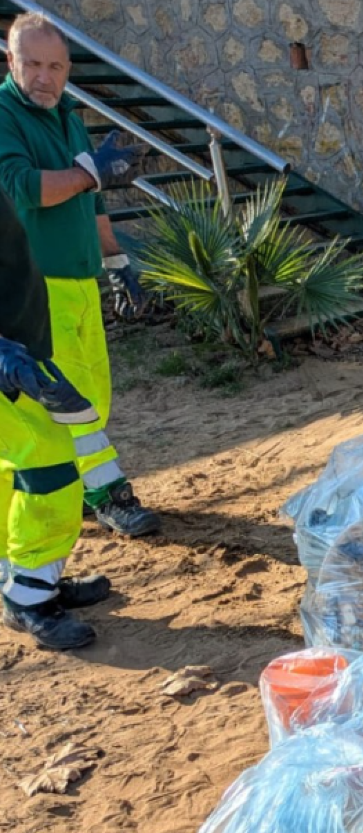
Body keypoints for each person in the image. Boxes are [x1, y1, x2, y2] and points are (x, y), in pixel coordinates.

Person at [0, 12, 161, 538]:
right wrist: (92, 171)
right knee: (70, 402)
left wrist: (116, 261)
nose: (43, 78)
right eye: (32, 64)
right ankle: (107, 495)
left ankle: (79, 489)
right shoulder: (3, 114)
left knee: (94, 391)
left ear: (69, 69)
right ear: (10, 60)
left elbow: (91, 200)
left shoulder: (68, 115)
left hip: (79, 281)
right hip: (33, 290)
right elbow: (22, 189)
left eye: (55, 67)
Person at [1, 183, 112, 650]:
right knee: (49, 470)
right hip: (9, 358)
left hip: (20, 342)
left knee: (10, 469)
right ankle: (30, 595)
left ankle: (19, 577)